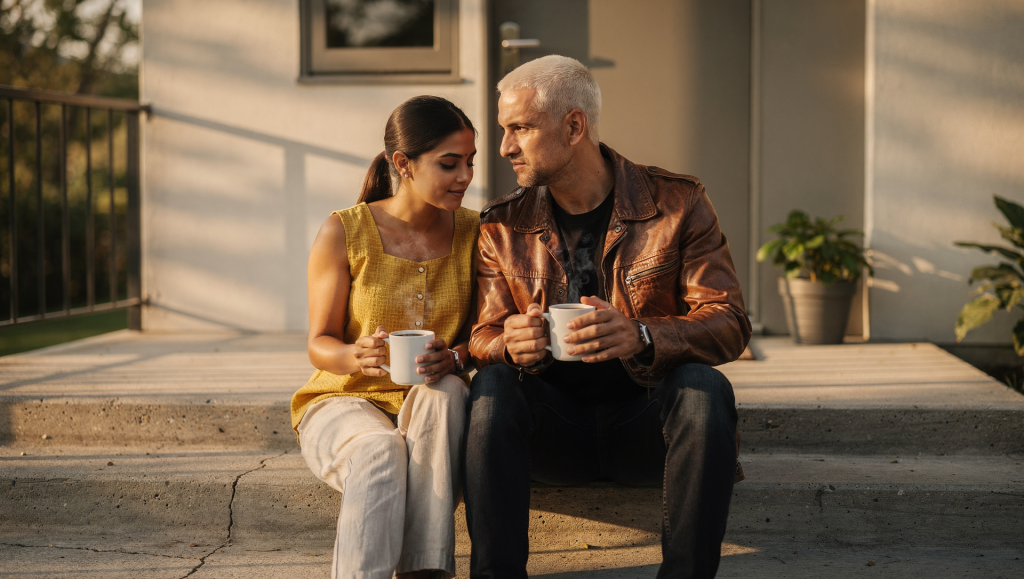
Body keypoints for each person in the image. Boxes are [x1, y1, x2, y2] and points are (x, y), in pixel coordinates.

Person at [464, 56, 751, 579]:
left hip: (649, 429)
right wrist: (509, 343)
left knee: (704, 387)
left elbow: (728, 320)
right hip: (552, 434)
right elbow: (482, 334)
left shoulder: (677, 203)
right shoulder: (502, 225)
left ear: (574, 126)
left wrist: (641, 335)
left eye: (520, 128)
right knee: (493, 388)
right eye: (504, 131)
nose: (504, 147)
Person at [291, 95, 478, 579]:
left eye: (470, 162)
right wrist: (355, 355)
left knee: (448, 392)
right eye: (450, 163)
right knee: (381, 449)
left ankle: (424, 573)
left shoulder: (478, 232)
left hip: (431, 406)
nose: (465, 177)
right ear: (403, 164)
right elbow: (319, 343)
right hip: (343, 401)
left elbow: (485, 333)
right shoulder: (343, 230)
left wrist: (454, 357)